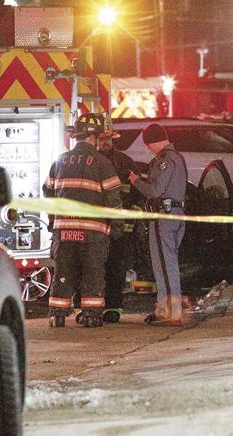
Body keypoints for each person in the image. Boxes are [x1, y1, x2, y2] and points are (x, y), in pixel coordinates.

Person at [43, 113, 122, 328]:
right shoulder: (103, 163)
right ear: (92, 138)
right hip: (93, 232)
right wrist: (117, 226)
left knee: (63, 271)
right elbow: (114, 198)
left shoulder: (59, 161)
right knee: (92, 272)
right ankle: (91, 316)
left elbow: (47, 192)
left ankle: (57, 315)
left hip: (64, 230)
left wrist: (54, 221)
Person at [128, 123, 187, 326]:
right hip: (172, 214)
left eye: (148, 144)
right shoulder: (174, 158)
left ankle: (172, 312)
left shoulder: (166, 160)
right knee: (164, 264)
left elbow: (155, 190)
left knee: (165, 265)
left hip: (165, 217)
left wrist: (136, 181)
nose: (148, 149)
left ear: (155, 141)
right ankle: (164, 310)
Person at [96, 114, 140, 324]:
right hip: (95, 226)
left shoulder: (125, 162)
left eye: (108, 139)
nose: (105, 143)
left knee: (115, 268)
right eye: (101, 139)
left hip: (119, 228)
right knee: (93, 267)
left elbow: (137, 193)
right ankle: (90, 306)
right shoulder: (90, 162)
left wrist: (130, 224)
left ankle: (113, 308)